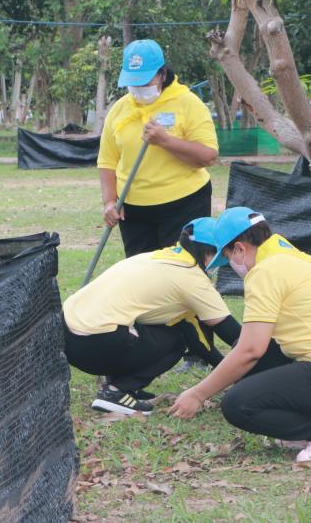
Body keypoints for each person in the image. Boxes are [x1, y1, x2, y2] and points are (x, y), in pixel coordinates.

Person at [169, 207, 311, 463]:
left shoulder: (265, 271)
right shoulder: (300, 260)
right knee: (247, 358)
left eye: (228, 258)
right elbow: (253, 345)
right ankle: (301, 423)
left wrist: (198, 394)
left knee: (238, 404)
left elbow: (251, 350)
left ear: (240, 248)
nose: (232, 267)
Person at [99, 39, 219, 372]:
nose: (138, 89)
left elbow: (209, 156)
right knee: (141, 275)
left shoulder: (187, 103)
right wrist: (110, 201)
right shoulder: (121, 110)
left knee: (187, 275)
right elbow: (107, 161)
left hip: (183, 202)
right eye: (132, 83)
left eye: (145, 81)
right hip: (134, 209)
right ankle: (153, 343)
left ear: (162, 74)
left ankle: (200, 349)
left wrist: (166, 141)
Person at [62, 218, 242, 415]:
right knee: (178, 338)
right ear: (209, 252)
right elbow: (230, 335)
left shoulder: (156, 257)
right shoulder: (192, 278)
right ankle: (116, 392)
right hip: (96, 343)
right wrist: (236, 371)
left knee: (147, 326)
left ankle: (121, 386)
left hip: (67, 337)